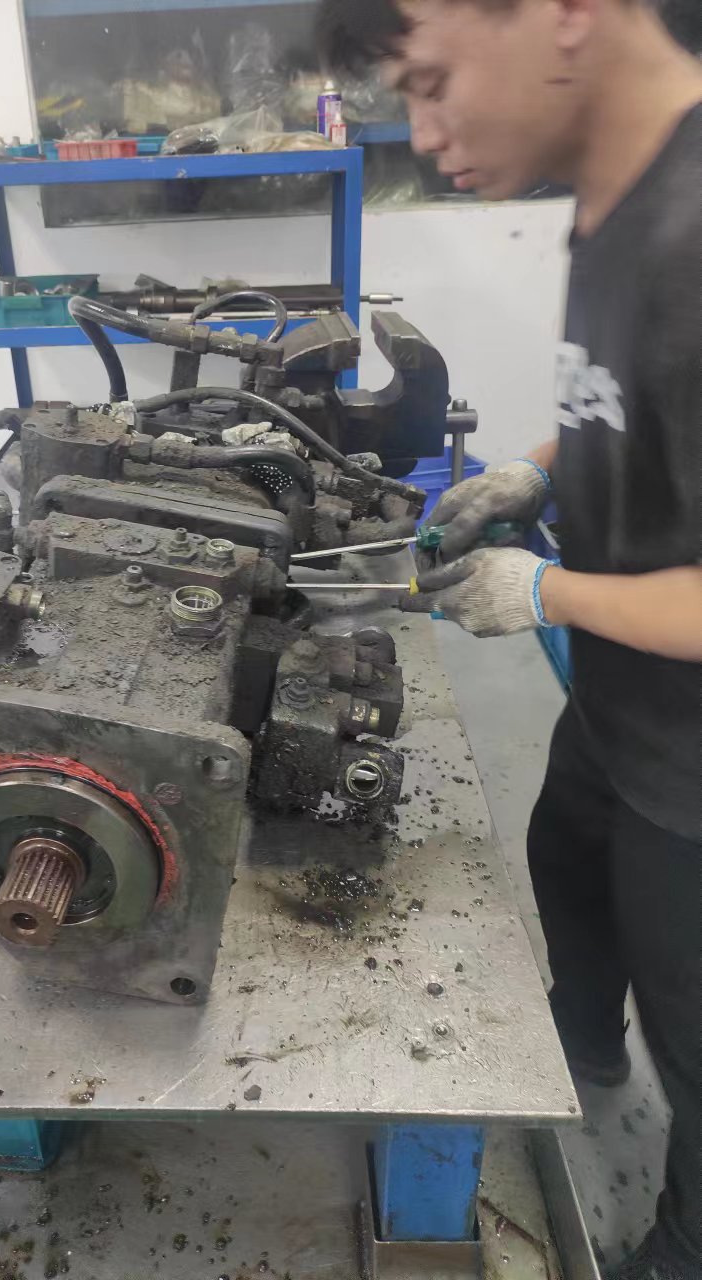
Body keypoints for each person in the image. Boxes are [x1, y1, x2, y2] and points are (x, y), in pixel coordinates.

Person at [316, 1, 702, 1277]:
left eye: (431, 84)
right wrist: (535, 470)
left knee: (691, 1029)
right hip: (625, 706)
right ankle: (574, 1048)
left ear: (564, 13)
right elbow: (625, 405)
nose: (423, 137)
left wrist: (546, 595)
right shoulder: (615, 198)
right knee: (566, 867)